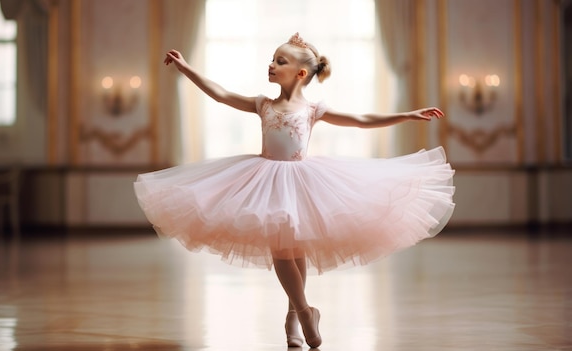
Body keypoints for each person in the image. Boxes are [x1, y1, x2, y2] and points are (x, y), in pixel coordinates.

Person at [134, 33, 455, 348]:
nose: (271, 64)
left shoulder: (313, 109)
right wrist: (186, 68)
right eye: (272, 59)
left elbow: (360, 120)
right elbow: (220, 94)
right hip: (263, 178)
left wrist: (407, 115)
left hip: (302, 180)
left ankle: (294, 317)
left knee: (293, 249)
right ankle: (304, 311)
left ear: (301, 73)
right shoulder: (263, 104)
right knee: (283, 250)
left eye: (280, 61)